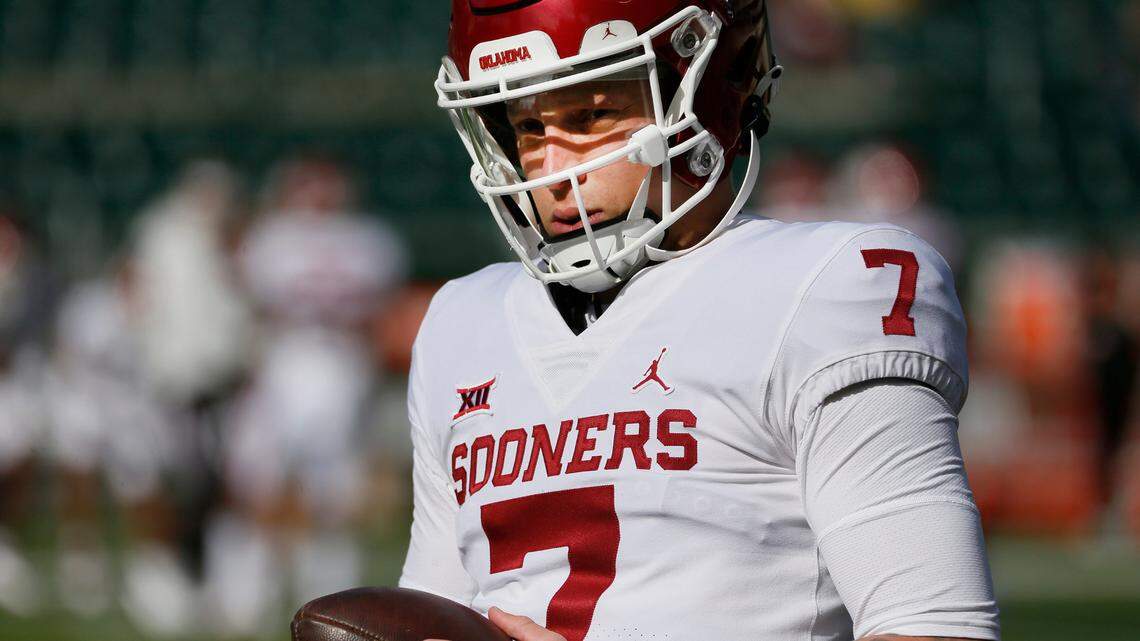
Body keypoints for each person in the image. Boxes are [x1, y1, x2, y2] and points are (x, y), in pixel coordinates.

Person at [401, 2, 1000, 641]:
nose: (551, 172)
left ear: (715, 85)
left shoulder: (828, 285)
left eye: (593, 115)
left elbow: (935, 626)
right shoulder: (460, 323)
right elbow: (436, 615)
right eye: (526, 128)